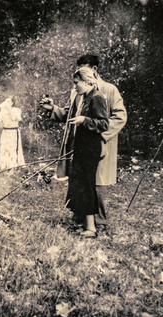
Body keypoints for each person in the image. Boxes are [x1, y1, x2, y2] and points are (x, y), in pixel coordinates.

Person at [41, 54, 127, 231]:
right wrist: (52, 109)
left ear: (94, 70)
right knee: (79, 180)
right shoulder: (78, 90)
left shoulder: (108, 90)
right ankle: (80, 217)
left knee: (95, 182)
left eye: (84, 69)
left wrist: (99, 136)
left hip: (99, 143)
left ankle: (99, 222)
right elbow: (70, 115)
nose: (79, 75)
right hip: (78, 144)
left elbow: (120, 117)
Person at [44, 67, 109, 237]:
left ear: (87, 81)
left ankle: (91, 229)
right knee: (79, 184)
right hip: (80, 147)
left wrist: (84, 120)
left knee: (86, 185)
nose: (75, 87)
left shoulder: (97, 98)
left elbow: (104, 124)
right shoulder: (84, 98)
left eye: (76, 83)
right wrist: (52, 108)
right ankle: (82, 223)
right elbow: (68, 115)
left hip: (90, 149)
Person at [0, 96, 25, 170]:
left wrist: (9, 109)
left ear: (12, 103)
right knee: (4, 148)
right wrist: (2, 122)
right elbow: (0, 124)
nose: (7, 103)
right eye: (6, 101)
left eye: (9, 102)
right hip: (5, 132)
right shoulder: (3, 111)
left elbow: (13, 118)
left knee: (12, 149)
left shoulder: (16, 110)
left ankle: (13, 166)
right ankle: (4, 166)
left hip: (13, 132)